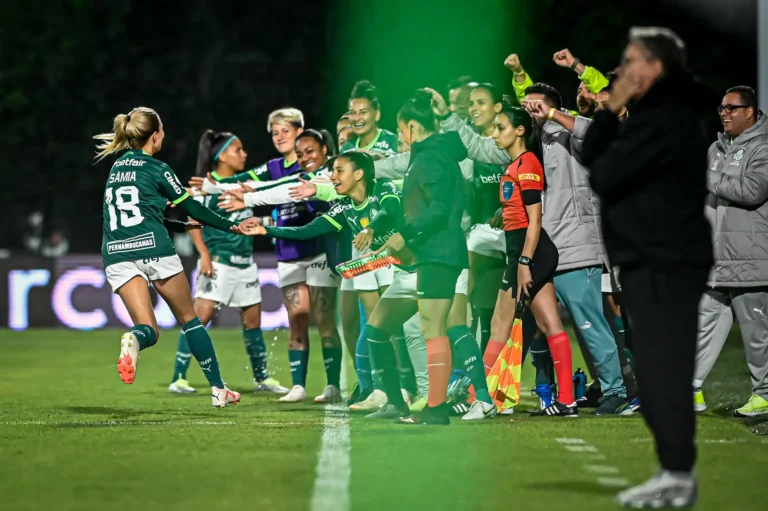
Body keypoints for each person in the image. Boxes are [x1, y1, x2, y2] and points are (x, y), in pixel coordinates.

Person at [438, 82, 630, 415]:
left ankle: (614, 389)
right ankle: (492, 395)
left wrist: (553, 113)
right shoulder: (530, 146)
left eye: (537, 106)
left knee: (586, 324)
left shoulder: (569, 135)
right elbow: (483, 150)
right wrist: (448, 116)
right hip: (540, 246)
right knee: (526, 327)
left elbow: (600, 131)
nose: (533, 110)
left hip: (571, 245)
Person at [581, 27, 713, 508]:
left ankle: (677, 473)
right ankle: (672, 471)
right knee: (658, 368)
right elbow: (595, 156)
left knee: (663, 369)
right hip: (649, 258)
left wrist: (611, 111)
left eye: (631, 59)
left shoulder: (668, 119)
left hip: (666, 259)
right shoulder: (656, 116)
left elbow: (605, 174)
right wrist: (608, 109)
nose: (621, 69)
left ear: (655, 68)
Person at [95, 106, 258, 408]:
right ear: (155, 135)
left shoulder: (116, 169)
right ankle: (219, 389)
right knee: (190, 320)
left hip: (117, 252)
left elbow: (139, 214)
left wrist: (178, 225)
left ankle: (135, 338)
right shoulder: (158, 168)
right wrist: (230, 224)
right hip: (153, 249)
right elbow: (193, 207)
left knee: (149, 329)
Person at [193, 109, 342, 404]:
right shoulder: (274, 166)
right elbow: (250, 180)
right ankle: (298, 386)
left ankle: (333, 384)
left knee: (324, 319)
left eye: (285, 130)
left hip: (318, 249)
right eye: (274, 133)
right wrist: (221, 187)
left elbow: (278, 190)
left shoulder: (319, 169)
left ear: (301, 131)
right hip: (287, 251)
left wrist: (238, 194)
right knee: (296, 319)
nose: (279, 137)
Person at [368, 90, 487, 425]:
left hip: (439, 252)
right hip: (429, 252)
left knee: (433, 328)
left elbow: (438, 210)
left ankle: (436, 409)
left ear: (409, 127)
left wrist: (405, 233)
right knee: (392, 325)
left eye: (400, 129)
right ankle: (406, 403)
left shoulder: (432, 157)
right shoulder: (431, 154)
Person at [166, 130, 288, 396]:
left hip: (246, 263)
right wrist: (204, 255)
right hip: (219, 264)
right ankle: (178, 378)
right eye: (238, 149)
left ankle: (262, 378)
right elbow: (194, 221)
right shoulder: (208, 186)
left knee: (253, 322)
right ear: (221, 156)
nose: (244, 154)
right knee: (200, 318)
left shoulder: (243, 186)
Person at [486, 103, 578, 416]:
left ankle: (482, 397)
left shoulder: (526, 164)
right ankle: (567, 401)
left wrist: (524, 263)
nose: (495, 133)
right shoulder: (517, 164)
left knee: (501, 324)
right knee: (548, 323)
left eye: (500, 127)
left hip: (529, 253)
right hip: (528, 252)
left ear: (520, 131)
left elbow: (534, 221)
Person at [693, 85, 768, 417]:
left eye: (730, 108)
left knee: (756, 334)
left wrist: (705, 175)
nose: (723, 113)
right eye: (721, 108)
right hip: (717, 259)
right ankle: (689, 390)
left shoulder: (763, 147)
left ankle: (764, 393)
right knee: (702, 326)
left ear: (749, 112)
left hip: (750, 257)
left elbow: (752, 191)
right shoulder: (715, 149)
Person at [506, 50, 608, 116]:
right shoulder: (567, 118)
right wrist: (519, 72)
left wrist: (574, 64)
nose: (581, 95)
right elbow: (532, 101)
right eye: (578, 92)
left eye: (589, 91)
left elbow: (604, 88)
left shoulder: (611, 124)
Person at [342, 80, 398, 157]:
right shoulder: (346, 149)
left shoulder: (392, 142)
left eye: (363, 112)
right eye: (352, 113)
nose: (356, 118)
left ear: (377, 115)